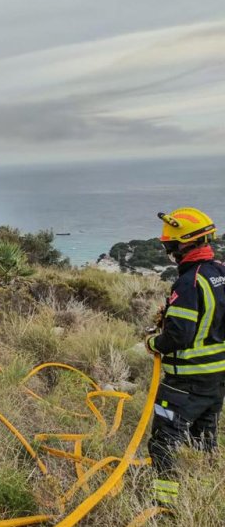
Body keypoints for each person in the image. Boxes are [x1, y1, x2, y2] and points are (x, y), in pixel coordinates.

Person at [145, 207, 225, 507]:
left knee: (164, 441)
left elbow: (178, 335)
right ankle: (205, 495)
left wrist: (154, 342)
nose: (169, 250)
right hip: (216, 381)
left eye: (170, 245)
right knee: (203, 440)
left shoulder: (189, 283)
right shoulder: (220, 273)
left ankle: (165, 504)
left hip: (186, 381)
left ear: (183, 244)